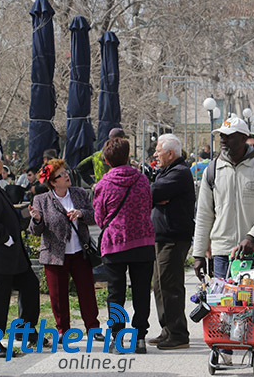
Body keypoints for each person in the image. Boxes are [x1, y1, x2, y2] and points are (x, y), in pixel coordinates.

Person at [193, 116, 254, 363]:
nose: (222, 140)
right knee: (223, 302)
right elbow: (204, 214)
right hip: (223, 249)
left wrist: (252, 237)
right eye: (221, 135)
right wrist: (198, 253)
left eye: (228, 136)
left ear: (243, 138)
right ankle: (225, 348)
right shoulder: (212, 169)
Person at [0, 143, 43, 357]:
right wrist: (7, 239)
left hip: (11, 254)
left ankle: (25, 330)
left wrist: (24, 214)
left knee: (29, 285)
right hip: (0, 254)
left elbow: (6, 215)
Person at [27, 159, 104, 344]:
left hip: (80, 252)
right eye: (61, 174)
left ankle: (93, 328)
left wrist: (81, 214)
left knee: (87, 292)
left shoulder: (79, 193)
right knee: (58, 295)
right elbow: (35, 231)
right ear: (53, 182)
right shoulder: (41, 200)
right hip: (54, 255)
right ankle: (63, 330)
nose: (66, 175)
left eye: (66, 171)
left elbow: (94, 216)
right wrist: (37, 219)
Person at [93, 137, 155, 354]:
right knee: (141, 292)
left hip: (114, 244)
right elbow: (148, 206)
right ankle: (140, 338)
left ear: (107, 160)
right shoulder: (142, 180)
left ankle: (117, 338)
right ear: (128, 156)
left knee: (115, 294)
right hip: (143, 242)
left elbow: (99, 218)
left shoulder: (103, 184)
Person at [149, 134, 195, 350]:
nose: (155, 154)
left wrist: (155, 196)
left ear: (170, 153)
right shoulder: (166, 172)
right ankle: (167, 329)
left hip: (174, 237)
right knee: (159, 285)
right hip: (161, 235)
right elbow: (153, 194)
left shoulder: (180, 172)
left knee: (170, 285)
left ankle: (178, 333)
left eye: (158, 151)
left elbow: (151, 192)